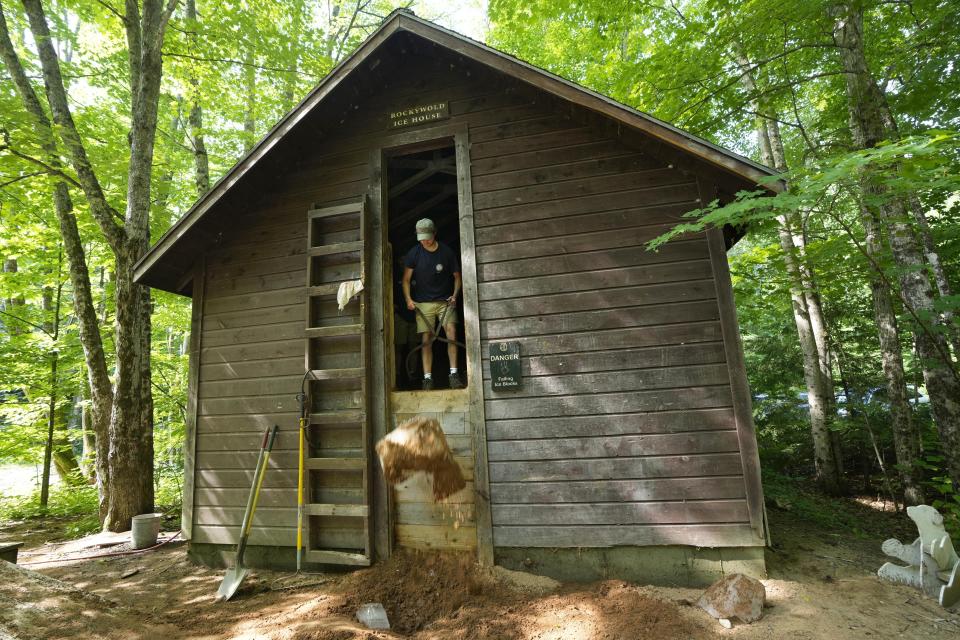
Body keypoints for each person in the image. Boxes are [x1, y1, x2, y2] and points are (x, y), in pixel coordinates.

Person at [402, 218, 462, 390]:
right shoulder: (414, 253)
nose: (424, 241)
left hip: (445, 302)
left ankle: (454, 374)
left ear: (434, 234)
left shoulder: (447, 252)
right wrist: (408, 299)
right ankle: (427, 379)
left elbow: (457, 277)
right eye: (421, 238)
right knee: (426, 339)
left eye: (427, 237)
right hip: (422, 304)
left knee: (451, 333)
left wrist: (454, 295)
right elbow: (406, 280)